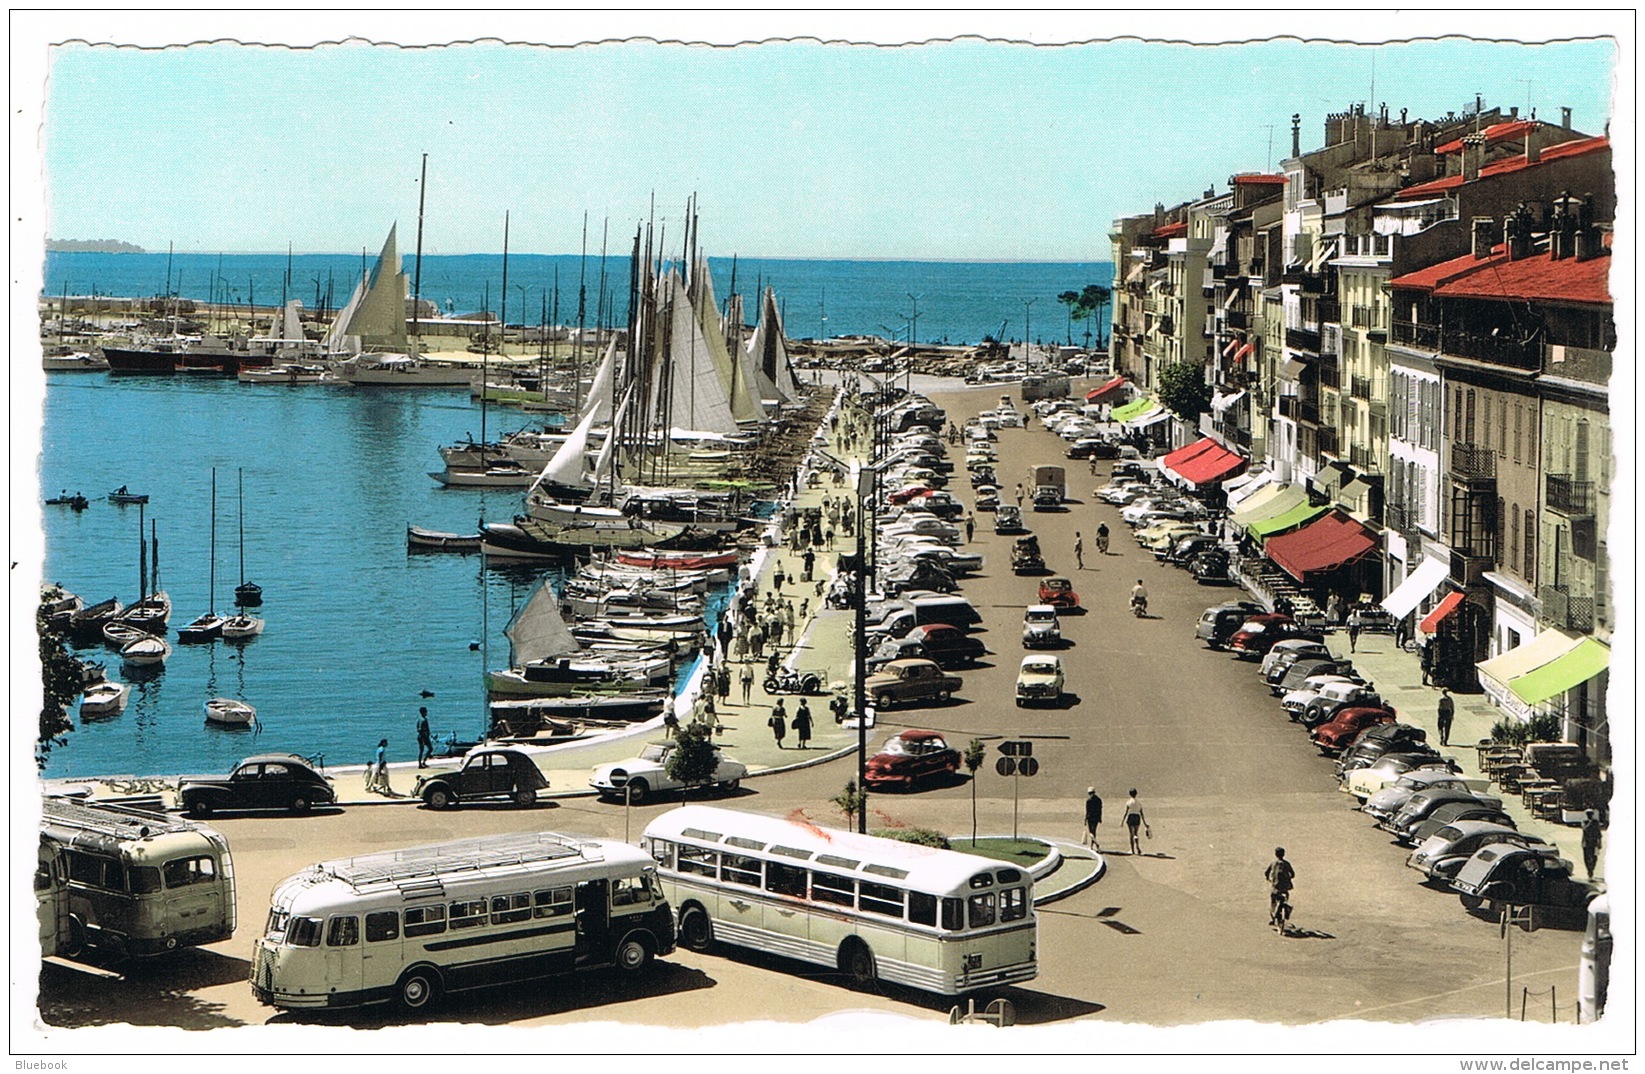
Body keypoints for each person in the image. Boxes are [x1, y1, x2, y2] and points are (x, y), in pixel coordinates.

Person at [1265, 847, 1296, 931]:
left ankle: (1273, 917)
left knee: (1273, 901)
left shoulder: (1273, 863)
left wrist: (1269, 879)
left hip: (1275, 887)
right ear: (1284, 854)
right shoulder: (1286, 864)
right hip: (1284, 887)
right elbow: (1293, 874)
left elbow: (1266, 873)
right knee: (1285, 898)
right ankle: (1286, 910)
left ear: (1276, 854)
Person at [1122, 789, 1149, 854]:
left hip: (1131, 817)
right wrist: (1145, 823)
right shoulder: (1139, 803)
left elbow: (1126, 812)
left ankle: (1132, 850)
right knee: (1136, 833)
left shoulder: (1128, 802)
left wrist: (1123, 820)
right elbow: (1141, 813)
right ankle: (1137, 846)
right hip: (1137, 817)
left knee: (1131, 834)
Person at [1581, 809, 1603, 880]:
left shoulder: (1596, 822)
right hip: (1586, 843)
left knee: (1594, 858)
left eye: (1591, 814)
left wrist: (1600, 843)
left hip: (1594, 844)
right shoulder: (1584, 822)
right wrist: (1590, 822)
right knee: (1587, 859)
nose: (1589, 816)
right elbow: (1585, 829)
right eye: (1588, 814)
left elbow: (1599, 834)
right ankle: (1589, 872)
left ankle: (1591, 870)